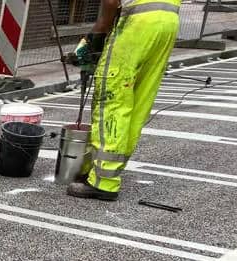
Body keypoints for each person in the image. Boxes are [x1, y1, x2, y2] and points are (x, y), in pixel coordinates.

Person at [66, 0, 180, 202]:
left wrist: (100, 30)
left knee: (112, 99)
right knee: (138, 102)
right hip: (168, 21)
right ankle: (107, 170)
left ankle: (104, 181)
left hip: (137, 24)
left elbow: (111, 2)